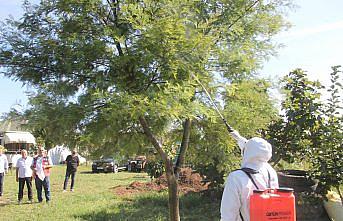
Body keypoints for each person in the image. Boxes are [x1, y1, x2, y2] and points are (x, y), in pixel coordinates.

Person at [220, 130, 279, 221]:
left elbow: (228, 214)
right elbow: (255, 150)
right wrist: (239, 138)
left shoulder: (236, 178)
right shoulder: (271, 172)